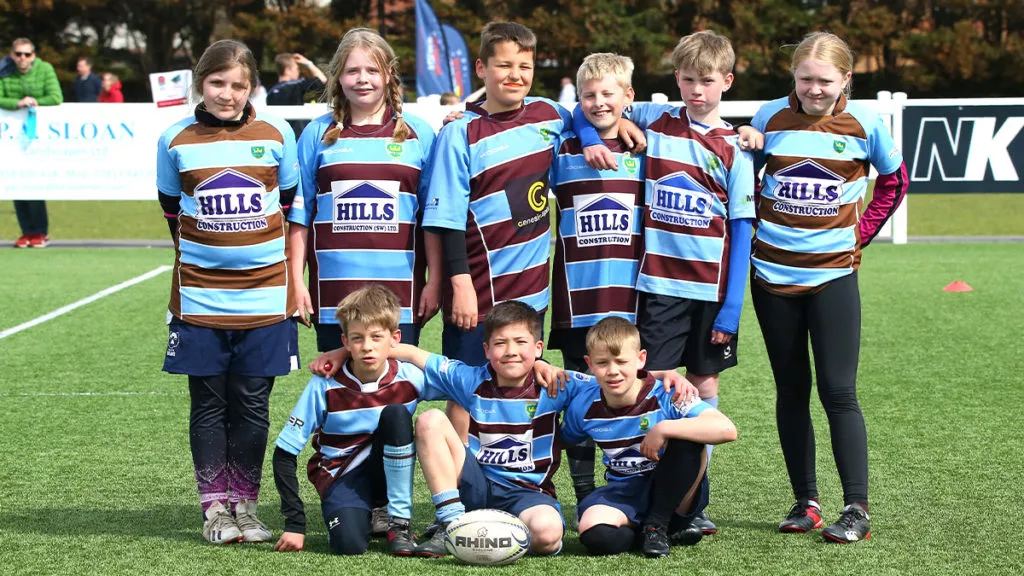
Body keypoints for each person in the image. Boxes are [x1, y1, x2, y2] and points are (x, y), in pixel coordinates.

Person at [421, 22, 641, 443]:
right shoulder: (459, 133)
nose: (515, 75)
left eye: (525, 66)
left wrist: (598, 132)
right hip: (478, 290)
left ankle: (516, 479)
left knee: (522, 391)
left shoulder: (548, 114)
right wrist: (459, 284)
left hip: (531, 294)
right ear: (482, 68)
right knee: (468, 391)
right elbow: (446, 218)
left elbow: (579, 111)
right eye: (504, 65)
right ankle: (459, 491)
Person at [574, 30, 756, 536]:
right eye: (688, 80)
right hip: (659, 286)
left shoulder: (736, 150)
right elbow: (585, 110)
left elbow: (741, 230)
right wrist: (590, 138)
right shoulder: (656, 121)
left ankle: (691, 504)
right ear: (676, 80)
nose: (697, 91)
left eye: (707, 82)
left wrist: (731, 309)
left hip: (712, 293)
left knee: (703, 387)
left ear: (727, 82)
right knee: (649, 387)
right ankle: (642, 489)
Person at [736, 31, 908, 544]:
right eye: (805, 79)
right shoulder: (769, 118)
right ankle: (805, 500)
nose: (814, 89)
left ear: (846, 80)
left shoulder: (866, 124)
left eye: (825, 81)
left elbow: (894, 182)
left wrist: (859, 235)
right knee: (791, 391)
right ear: (793, 77)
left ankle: (856, 507)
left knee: (838, 391)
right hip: (770, 277)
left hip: (833, 277)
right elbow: (746, 179)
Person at [156, 38, 300, 545]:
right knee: (210, 405)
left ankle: (246, 506)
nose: (228, 94)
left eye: (238, 85)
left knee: (254, 406)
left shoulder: (278, 132)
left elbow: (286, 204)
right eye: (217, 83)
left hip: (266, 298)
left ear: (252, 87)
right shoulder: (174, 137)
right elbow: (172, 213)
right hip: (199, 299)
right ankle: (214, 509)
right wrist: (213, 253)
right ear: (201, 83)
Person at [288, 27, 440, 356]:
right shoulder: (317, 133)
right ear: (338, 76)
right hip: (334, 293)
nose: (363, 79)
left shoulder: (419, 134)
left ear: (388, 75)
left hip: (400, 293)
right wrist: (296, 281)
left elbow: (432, 218)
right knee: (341, 393)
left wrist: (435, 279)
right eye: (352, 70)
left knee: (396, 395)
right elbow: (301, 215)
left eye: (372, 70)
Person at [272, 285, 434, 556]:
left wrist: (533, 364)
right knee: (348, 545)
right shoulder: (324, 386)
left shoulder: (410, 375)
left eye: (376, 337)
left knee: (396, 414)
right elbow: (284, 453)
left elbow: (466, 384)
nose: (367, 347)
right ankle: (367, 513)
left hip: (386, 470)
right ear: (345, 342)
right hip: (342, 475)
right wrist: (295, 524)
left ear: (394, 338)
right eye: (357, 338)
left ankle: (396, 518)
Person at [549, 53, 646, 505]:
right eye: (589, 95)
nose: (598, 102)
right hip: (577, 302)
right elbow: (559, 117)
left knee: (636, 396)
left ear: (629, 95)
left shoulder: (647, 146)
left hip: (632, 299)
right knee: (580, 400)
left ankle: (643, 485)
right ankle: (585, 491)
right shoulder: (563, 149)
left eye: (608, 93)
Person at [561, 317, 737, 557]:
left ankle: (658, 525)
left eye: (622, 361)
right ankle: (654, 533)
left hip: (675, 491)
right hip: (624, 490)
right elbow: (560, 441)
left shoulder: (668, 392)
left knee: (687, 434)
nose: (613, 371)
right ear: (589, 364)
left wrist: (664, 428)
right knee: (595, 536)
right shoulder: (583, 404)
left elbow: (727, 430)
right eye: (602, 363)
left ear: (641, 359)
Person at [1, 38, 62, 248]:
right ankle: (26, 231)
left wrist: (36, 102)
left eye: (27, 54)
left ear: (33, 56)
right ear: (12, 54)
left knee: (34, 182)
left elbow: (56, 97)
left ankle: (40, 232)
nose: (22, 58)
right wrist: (16, 104)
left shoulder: (45, 69)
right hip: (11, 138)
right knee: (16, 183)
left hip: (40, 136)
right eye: (18, 54)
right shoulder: (4, 69)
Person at [266, 52, 327, 135]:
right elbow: (322, 80)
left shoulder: (271, 92)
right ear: (287, 70)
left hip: (278, 137)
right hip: (298, 137)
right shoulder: (295, 86)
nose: (299, 71)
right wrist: (307, 62)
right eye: (297, 68)